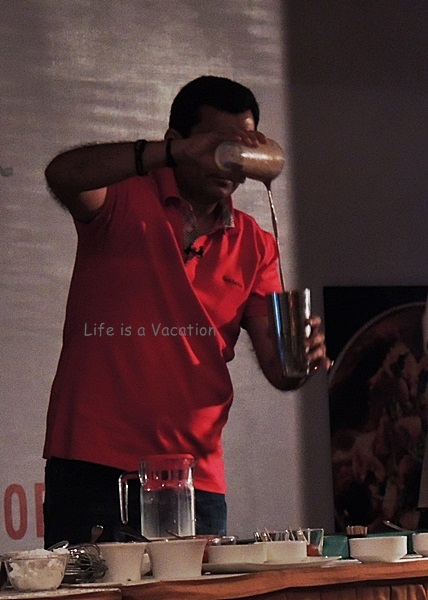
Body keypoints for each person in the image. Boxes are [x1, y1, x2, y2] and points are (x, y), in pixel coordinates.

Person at [43, 75, 330, 547]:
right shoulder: (123, 198)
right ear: (177, 140)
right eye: (218, 145)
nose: (231, 161)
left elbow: (280, 370)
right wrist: (167, 154)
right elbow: (63, 174)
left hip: (195, 476)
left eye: (242, 148)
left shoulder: (255, 243)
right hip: (96, 463)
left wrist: (303, 357)